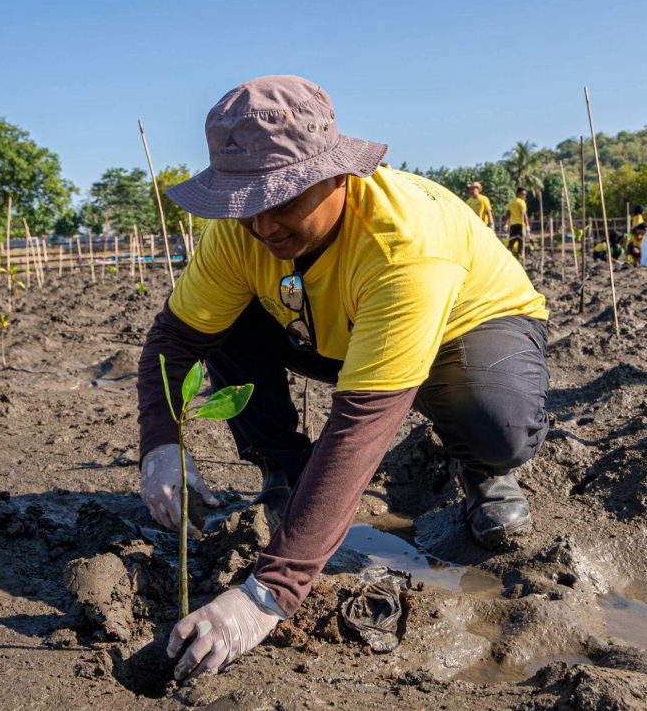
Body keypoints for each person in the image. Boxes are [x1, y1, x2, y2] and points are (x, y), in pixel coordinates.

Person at [135, 75, 550, 681]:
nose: (263, 225)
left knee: (497, 425)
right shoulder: (239, 229)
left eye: (281, 202)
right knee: (220, 324)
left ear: (335, 175)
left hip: (469, 325)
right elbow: (174, 341)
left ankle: (484, 470)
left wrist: (270, 591)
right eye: (246, 204)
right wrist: (160, 445)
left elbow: (360, 424)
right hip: (331, 329)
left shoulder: (404, 244)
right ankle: (285, 471)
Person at [501, 187, 530, 258]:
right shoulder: (521, 202)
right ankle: (520, 255)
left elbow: (508, 214)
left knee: (512, 241)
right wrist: (527, 225)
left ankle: (508, 254)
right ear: (518, 194)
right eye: (523, 194)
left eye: (525, 194)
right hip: (520, 224)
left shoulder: (511, 202)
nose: (524, 196)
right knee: (521, 241)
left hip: (513, 225)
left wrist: (506, 224)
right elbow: (524, 214)